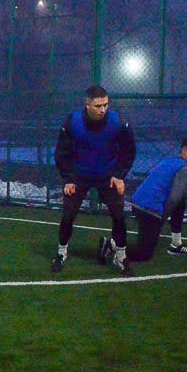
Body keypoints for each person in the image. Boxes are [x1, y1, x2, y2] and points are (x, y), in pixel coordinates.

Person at [51, 85, 136, 275]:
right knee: (68, 214)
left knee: (118, 214)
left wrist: (119, 175)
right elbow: (62, 153)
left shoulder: (118, 121)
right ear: (87, 105)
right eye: (98, 106)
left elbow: (128, 150)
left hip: (108, 175)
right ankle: (61, 253)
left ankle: (121, 256)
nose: (103, 109)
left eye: (105, 105)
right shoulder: (72, 121)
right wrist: (69, 179)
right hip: (79, 175)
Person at [98, 137, 187, 263]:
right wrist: (161, 219)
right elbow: (174, 198)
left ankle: (176, 244)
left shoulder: (168, 161)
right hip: (150, 211)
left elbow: (172, 193)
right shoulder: (184, 170)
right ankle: (111, 246)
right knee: (144, 255)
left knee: (181, 202)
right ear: (184, 152)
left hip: (137, 204)